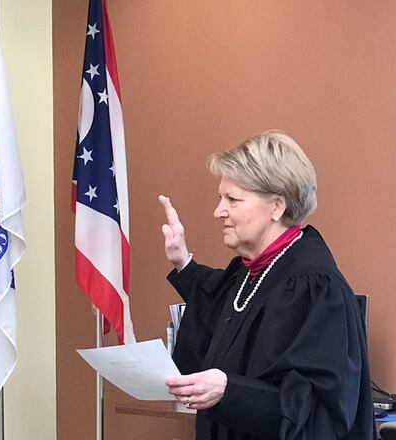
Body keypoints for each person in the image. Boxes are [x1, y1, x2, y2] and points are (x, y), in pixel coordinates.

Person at [159, 130, 373, 439]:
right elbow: (218, 306)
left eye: (233, 200)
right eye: (220, 198)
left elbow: (315, 412)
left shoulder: (315, 288)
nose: (218, 212)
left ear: (277, 207)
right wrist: (183, 262)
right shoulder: (249, 273)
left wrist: (229, 391)